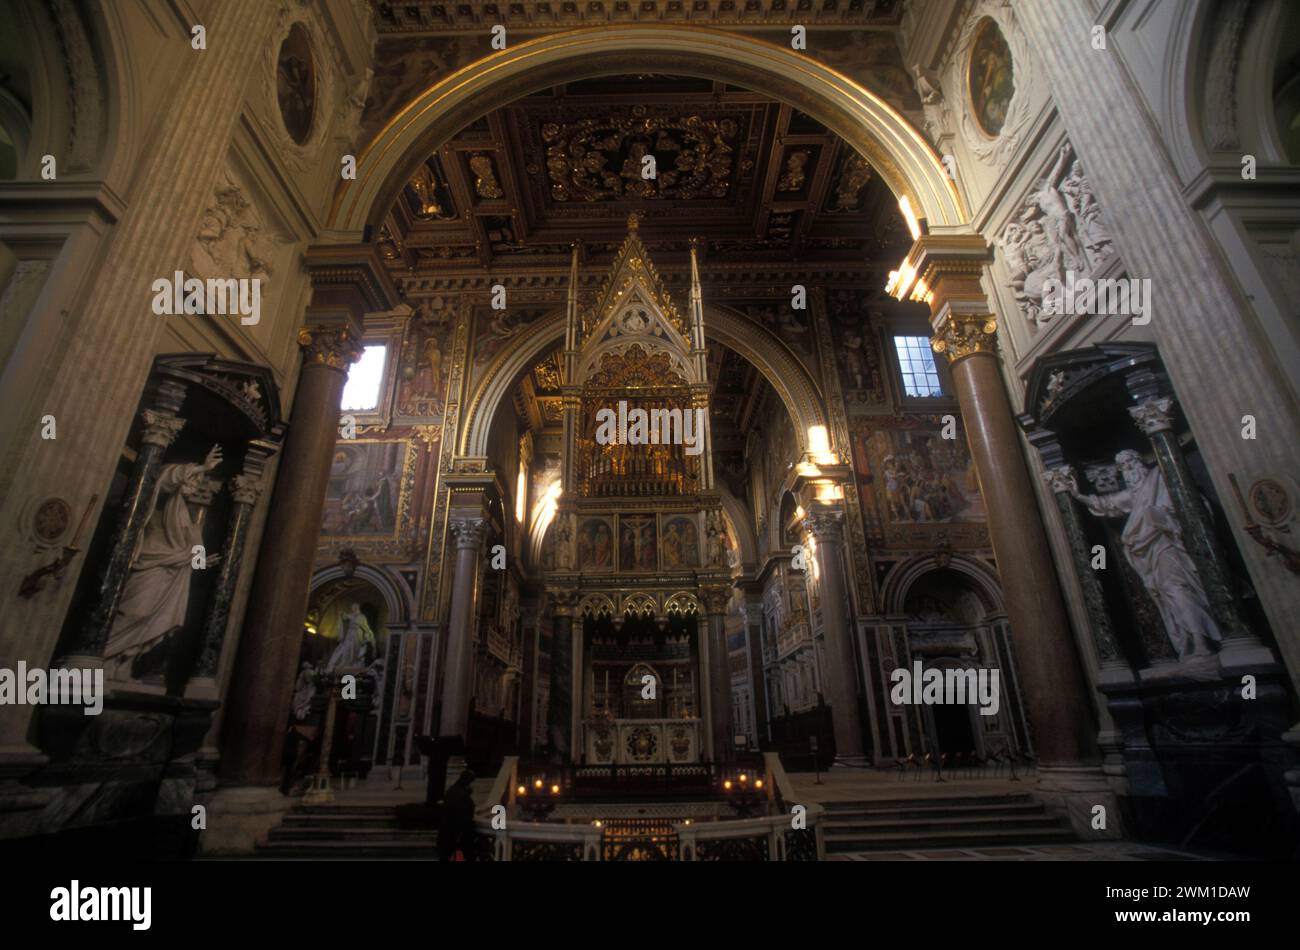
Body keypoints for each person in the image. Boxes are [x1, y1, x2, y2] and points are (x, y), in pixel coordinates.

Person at [437, 769, 478, 861]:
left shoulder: (452, 791)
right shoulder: (461, 795)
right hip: (458, 833)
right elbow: (465, 815)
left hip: (447, 833)